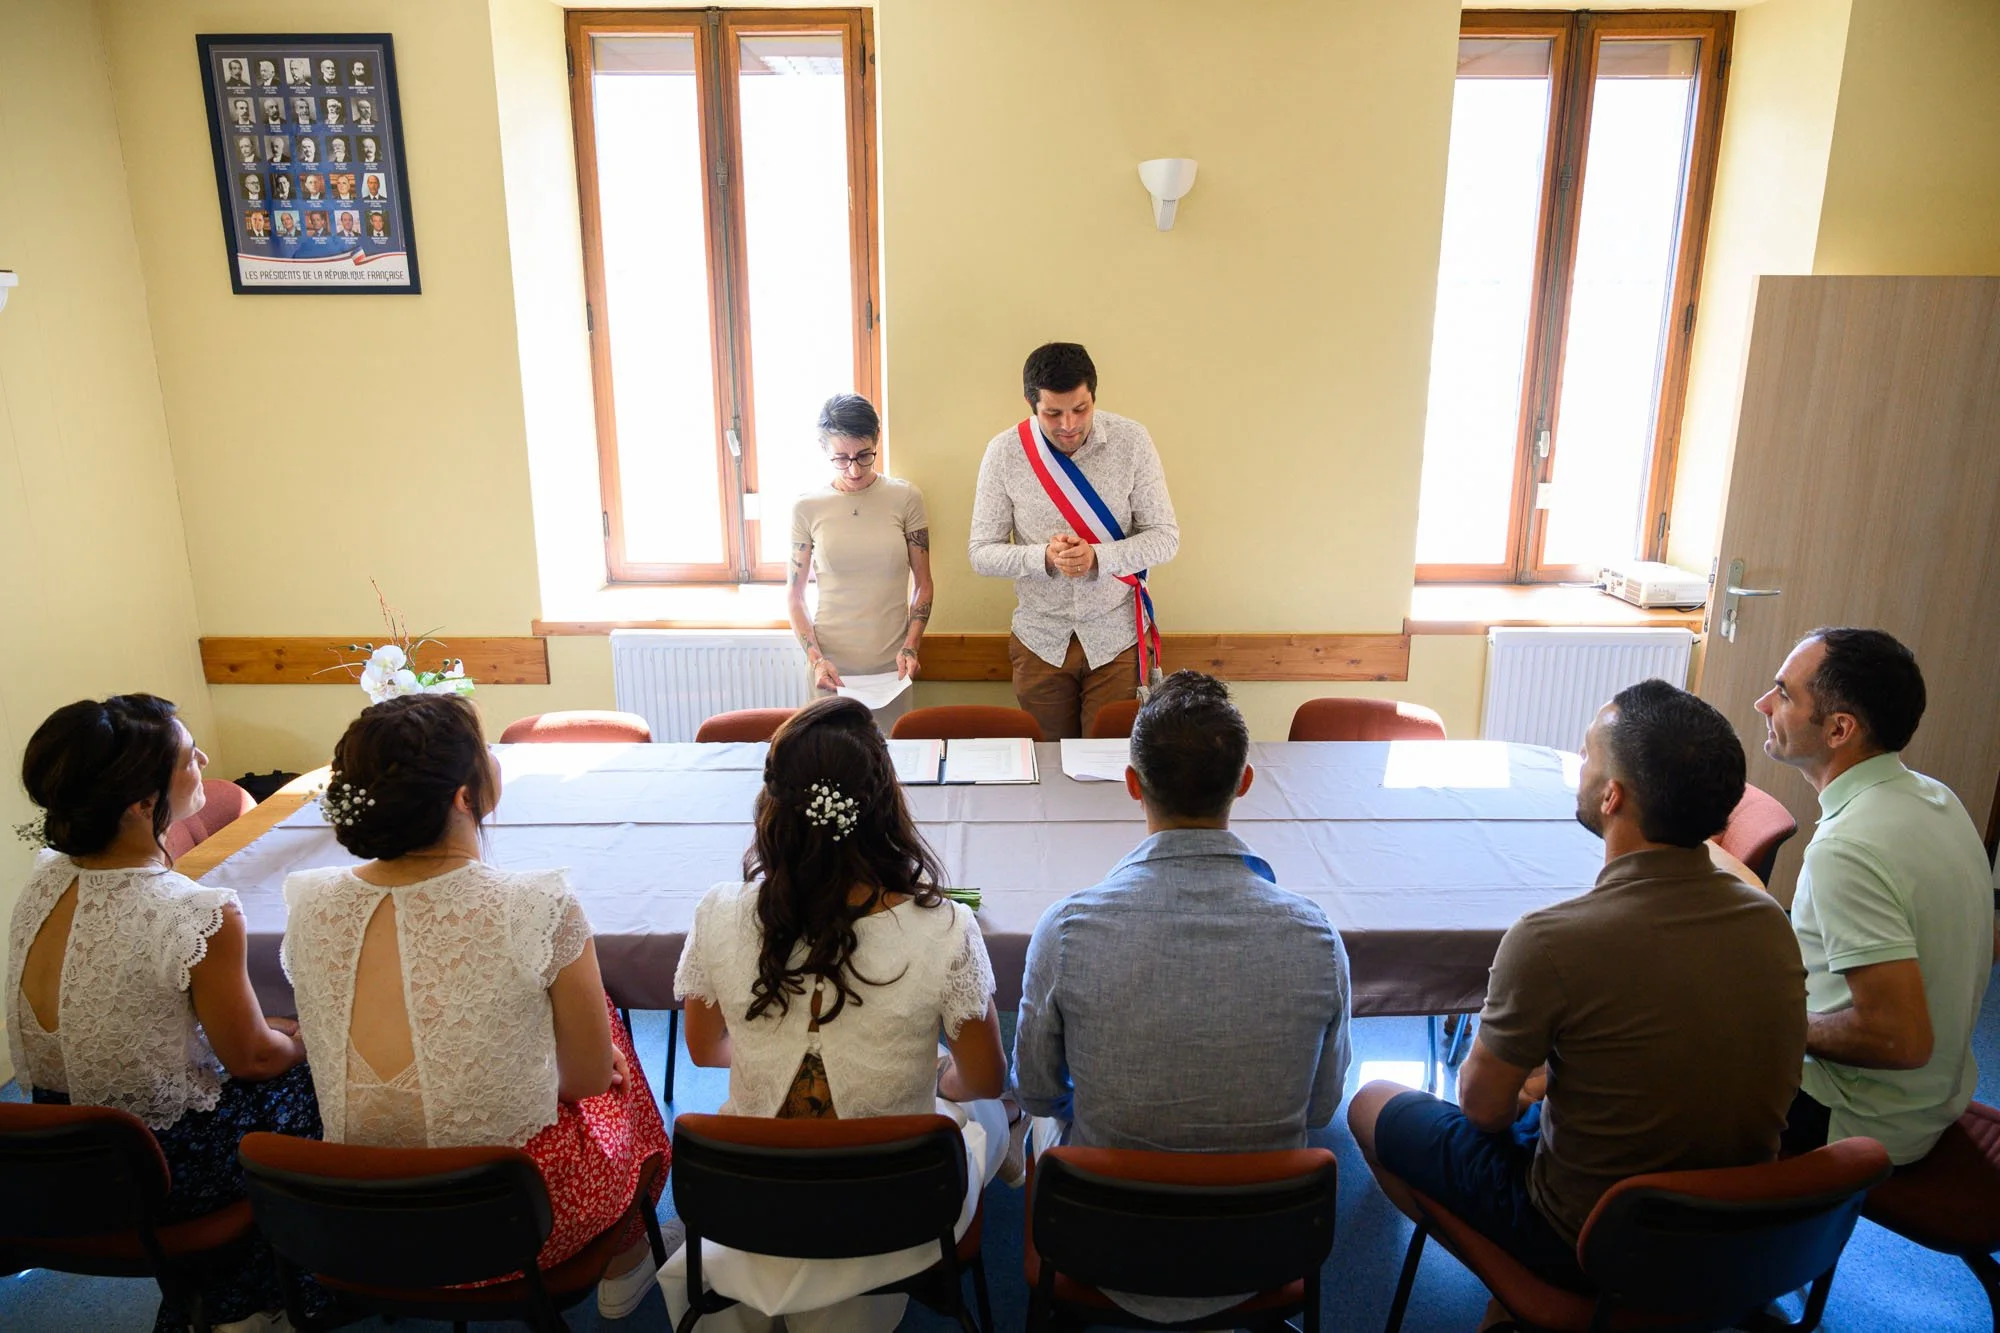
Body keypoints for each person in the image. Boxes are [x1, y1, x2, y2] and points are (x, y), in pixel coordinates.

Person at [1348, 680, 1806, 1304]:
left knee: (1370, 1103)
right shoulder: (1769, 922)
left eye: (1588, 755)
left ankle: (1518, 1292)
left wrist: (1531, 1086)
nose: (1581, 766)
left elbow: (1482, 1110)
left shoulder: (1549, 940)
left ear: (1613, 795)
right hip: (1732, 1237)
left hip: (1584, 1240)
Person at [281, 694, 672, 1320]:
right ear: (464, 797)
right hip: (512, 1222)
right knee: (605, 1035)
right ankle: (628, 1257)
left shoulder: (310, 902)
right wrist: (596, 1068)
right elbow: (584, 1081)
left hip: (355, 1214)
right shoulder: (537, 905)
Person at [1012, 670, 1350, 1320]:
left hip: (1099, 1241)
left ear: (1133, 783)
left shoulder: (1067, 928)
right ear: (1245, 781)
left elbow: (1035, 1092)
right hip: (1262, 1249)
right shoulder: (1315, 935)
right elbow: (1322, 1105)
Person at [667, 696, 1009, 1333]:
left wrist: (782, 1046)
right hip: (893, 1207)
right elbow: (985, 1078)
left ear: (774, 809)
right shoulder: (947, 928)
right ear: (885, 805)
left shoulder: (718, 912)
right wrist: (943, 1079)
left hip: (751, 1195)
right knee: (988, 1106)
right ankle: (1012, 1162)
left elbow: (702, 1049)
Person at [9, 695, 320, 1333]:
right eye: (187, 756)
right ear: (142, 804)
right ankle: (263, 1298)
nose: (204, 759)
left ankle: (223, 1292)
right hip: (158, 1163)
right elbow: (254, 1058)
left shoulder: (43, 878)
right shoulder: (193, 911)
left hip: (49, 1149)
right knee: (325, 1083)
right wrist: (306, 1038)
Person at [1756, 628, 1996, 1164]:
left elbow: (1903, 1040)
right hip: (1936, 1098)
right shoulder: (1936, 797)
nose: (1763, 703)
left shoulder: (1847, 848)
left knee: (1667, 1049)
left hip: (1858, 1121)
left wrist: (1777, 1024)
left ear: (1840, 729)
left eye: (1785, 693)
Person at [968, 341, 1178, 739]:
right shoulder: (1004, 453)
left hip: (1119, 639)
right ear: (1032, 405)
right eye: (1053, 413)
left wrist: (1099, 557)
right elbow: (981, 553)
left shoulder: (1131, 442)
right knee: (1047, 768)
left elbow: (1165, 537)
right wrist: (1043, 558)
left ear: (1093, 396)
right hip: (1040, 640)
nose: (1068, 424)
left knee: (1111, 768)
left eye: (1080, 409)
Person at [787, 394, 932, 729]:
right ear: (824, 449)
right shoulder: (807, 507)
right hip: (832, 670)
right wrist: (817, 659)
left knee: (894, 766)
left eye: (864, 456)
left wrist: (911, 647)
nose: (854, 469)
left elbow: (924, 584)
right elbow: (794, 596)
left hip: (892, 669)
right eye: (841, 458)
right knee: (831, 766)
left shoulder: (906, 498)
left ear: (876, 440)